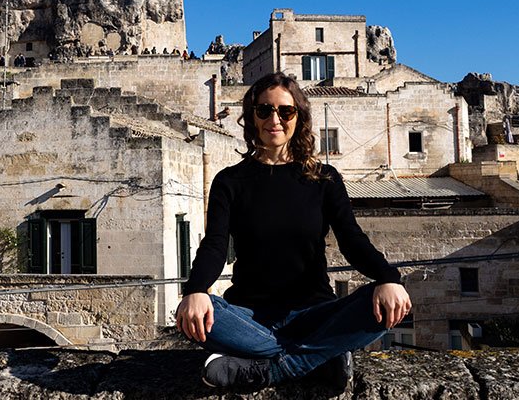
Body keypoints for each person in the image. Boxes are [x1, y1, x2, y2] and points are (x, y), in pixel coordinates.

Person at [176, 72, 411, 390]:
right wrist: (196, 290)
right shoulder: (230, 181)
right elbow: (215, 245)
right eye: (264, 110)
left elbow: (351, 239)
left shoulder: (324, 178)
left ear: (298, 118)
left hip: (312, 312)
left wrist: (388, 279)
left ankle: (271, 370)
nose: (275, 119)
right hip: (249, 317)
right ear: (252, 117)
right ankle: (318, 357)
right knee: (196, 312)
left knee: (382, 306)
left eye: (285, 111)